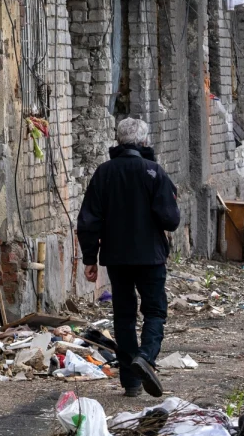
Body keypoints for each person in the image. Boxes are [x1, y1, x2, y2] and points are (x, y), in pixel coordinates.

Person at [77, 117, 180, 397]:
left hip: (117, 258)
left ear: (118, 140)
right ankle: (145, 357)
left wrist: (90, 258)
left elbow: (88, 220)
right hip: (151, 258)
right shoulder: (154, 172)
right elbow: (171, 220)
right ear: (144, 141)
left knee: (124, 315)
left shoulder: (104, 173)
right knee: (155, 311)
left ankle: (131, 383)